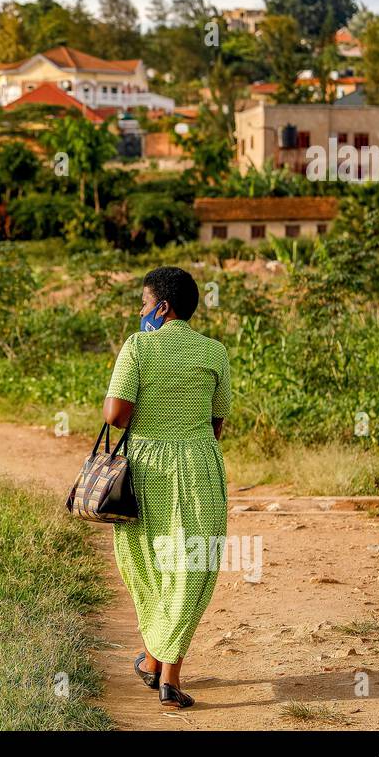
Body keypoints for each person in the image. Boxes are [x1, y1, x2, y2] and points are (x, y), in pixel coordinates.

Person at [102, 266, 232, 710]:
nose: (141, 311)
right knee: (191, 565)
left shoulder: (138, 346)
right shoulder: (215, 352)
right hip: (200, 466)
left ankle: (164, 670)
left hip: (144, 468)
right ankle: (162, 669)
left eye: (143, 303)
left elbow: (115, 415)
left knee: (147, 564)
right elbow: (217, 424)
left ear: (162, 306)